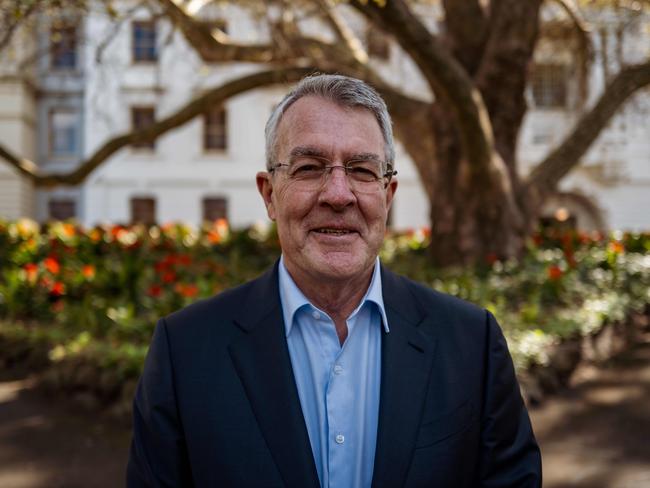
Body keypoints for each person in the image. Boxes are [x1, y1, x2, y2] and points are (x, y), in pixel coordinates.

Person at [127, 74, 542, 487]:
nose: (338, 194)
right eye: (309, 168)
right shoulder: (185, 352)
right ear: (270, 194)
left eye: (362, 170)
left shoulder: (472, 344)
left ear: (388, 195)